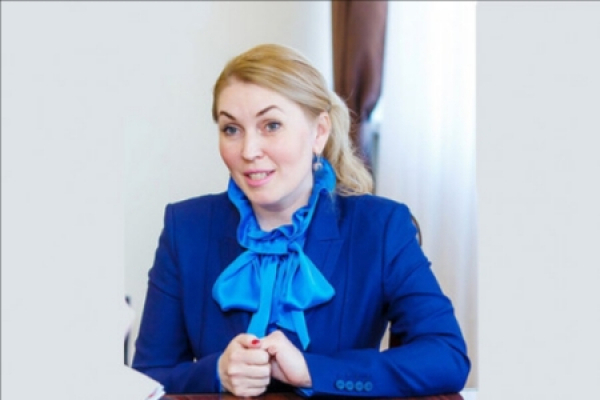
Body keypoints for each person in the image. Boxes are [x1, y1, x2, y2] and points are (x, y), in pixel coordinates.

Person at [132, 43, 470, 397]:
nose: (248, 151)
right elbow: (148, 375)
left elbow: (446, 355)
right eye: (231, 129)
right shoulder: (185, 227)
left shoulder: (382, 227)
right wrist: (216, 372)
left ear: (319, 132)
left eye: (271, 125)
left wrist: (313, 371)